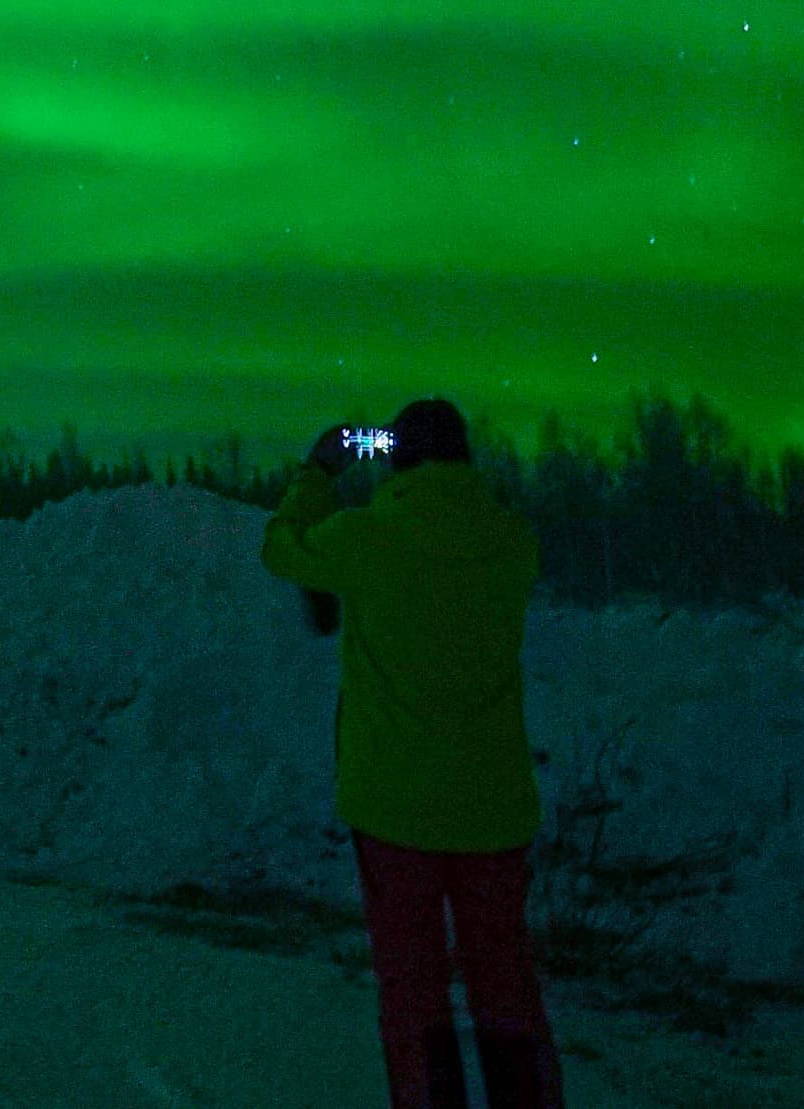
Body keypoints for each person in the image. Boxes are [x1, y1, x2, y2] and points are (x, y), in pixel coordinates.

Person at [261, 397, 565, 1109]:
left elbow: (281, 546)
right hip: (492, 808)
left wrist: (319, 469)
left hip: (394, 809)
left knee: (414, 995)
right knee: (506, 987)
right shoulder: (514, 540)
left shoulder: (368, 537)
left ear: (394, 455)